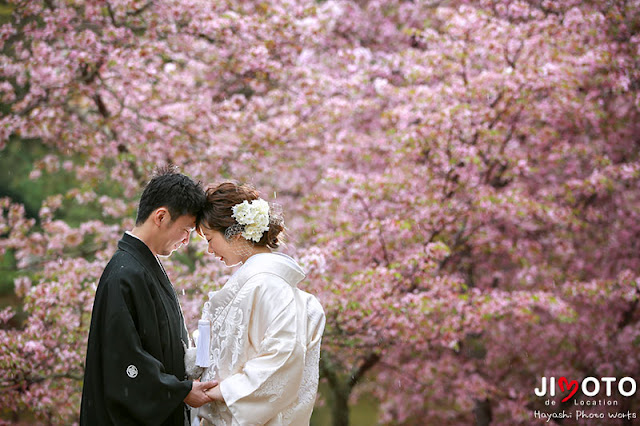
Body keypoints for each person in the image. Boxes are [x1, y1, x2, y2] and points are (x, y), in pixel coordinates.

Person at [80, 167, 217, 425]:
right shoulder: (124, 273)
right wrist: (181, 391)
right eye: (186, 229)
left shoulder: (140, 266)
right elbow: (123, 360)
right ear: (161, 217)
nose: (186, 240)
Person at [187, 182, 326, 425]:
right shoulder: (257, 284)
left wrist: (221, 391)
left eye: (210, 238)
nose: (209, 249)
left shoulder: (268, 286)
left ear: (235, 233)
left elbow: (283, 357)